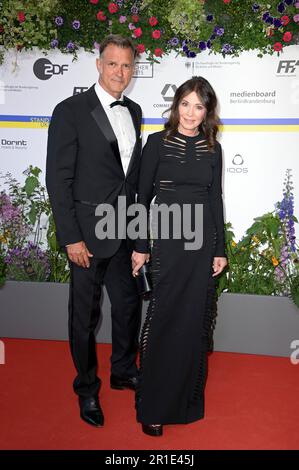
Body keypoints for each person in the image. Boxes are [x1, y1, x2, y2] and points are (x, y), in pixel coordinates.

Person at [46, 35, 143, 428]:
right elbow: (58, 178)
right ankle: (87, 388)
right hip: (86, 235)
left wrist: (139, 238)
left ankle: (122, 369)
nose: (120, 72)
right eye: (113, 64)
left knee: (128, 306)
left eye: (126, 65)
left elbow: (130, 181)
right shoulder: (70, 110)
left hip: (123, 231)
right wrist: (71, 237)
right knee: (83, 318)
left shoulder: (134, 111)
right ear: (99, 65)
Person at [132, 76, 228, 436]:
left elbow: (215, 199)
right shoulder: (156, 143)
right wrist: (141, 246)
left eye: (198, 106)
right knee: (163, 322)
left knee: (190, 325)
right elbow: (142, 199)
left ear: (207, 112)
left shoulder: (213, 148)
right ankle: (153, 407)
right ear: (176, 106)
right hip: (171, 242)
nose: (190, 113)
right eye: (185, 104)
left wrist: (220, 250)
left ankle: (185, 401)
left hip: (202, 244)